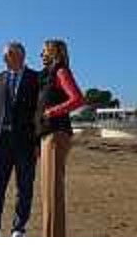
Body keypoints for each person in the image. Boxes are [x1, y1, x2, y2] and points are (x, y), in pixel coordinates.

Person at [0, 42, 39, 237]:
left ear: (19, 56)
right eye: (4, 55)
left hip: (26, 143)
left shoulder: (35, 78)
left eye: (7, 54)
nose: (3, 58)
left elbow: (39, 113)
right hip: (0, 141)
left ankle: (18, 228)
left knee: (24, 188)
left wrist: (38, 142)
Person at [36, 39, 85, 237]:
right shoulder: (47, 74)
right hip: (47, 135)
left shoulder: (61, 71)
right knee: (47, 193)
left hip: (56, 135)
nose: (41, 55)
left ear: (54, 53)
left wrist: (52, 112)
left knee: (53, 192)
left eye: (44, 51)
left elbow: (78, 99)